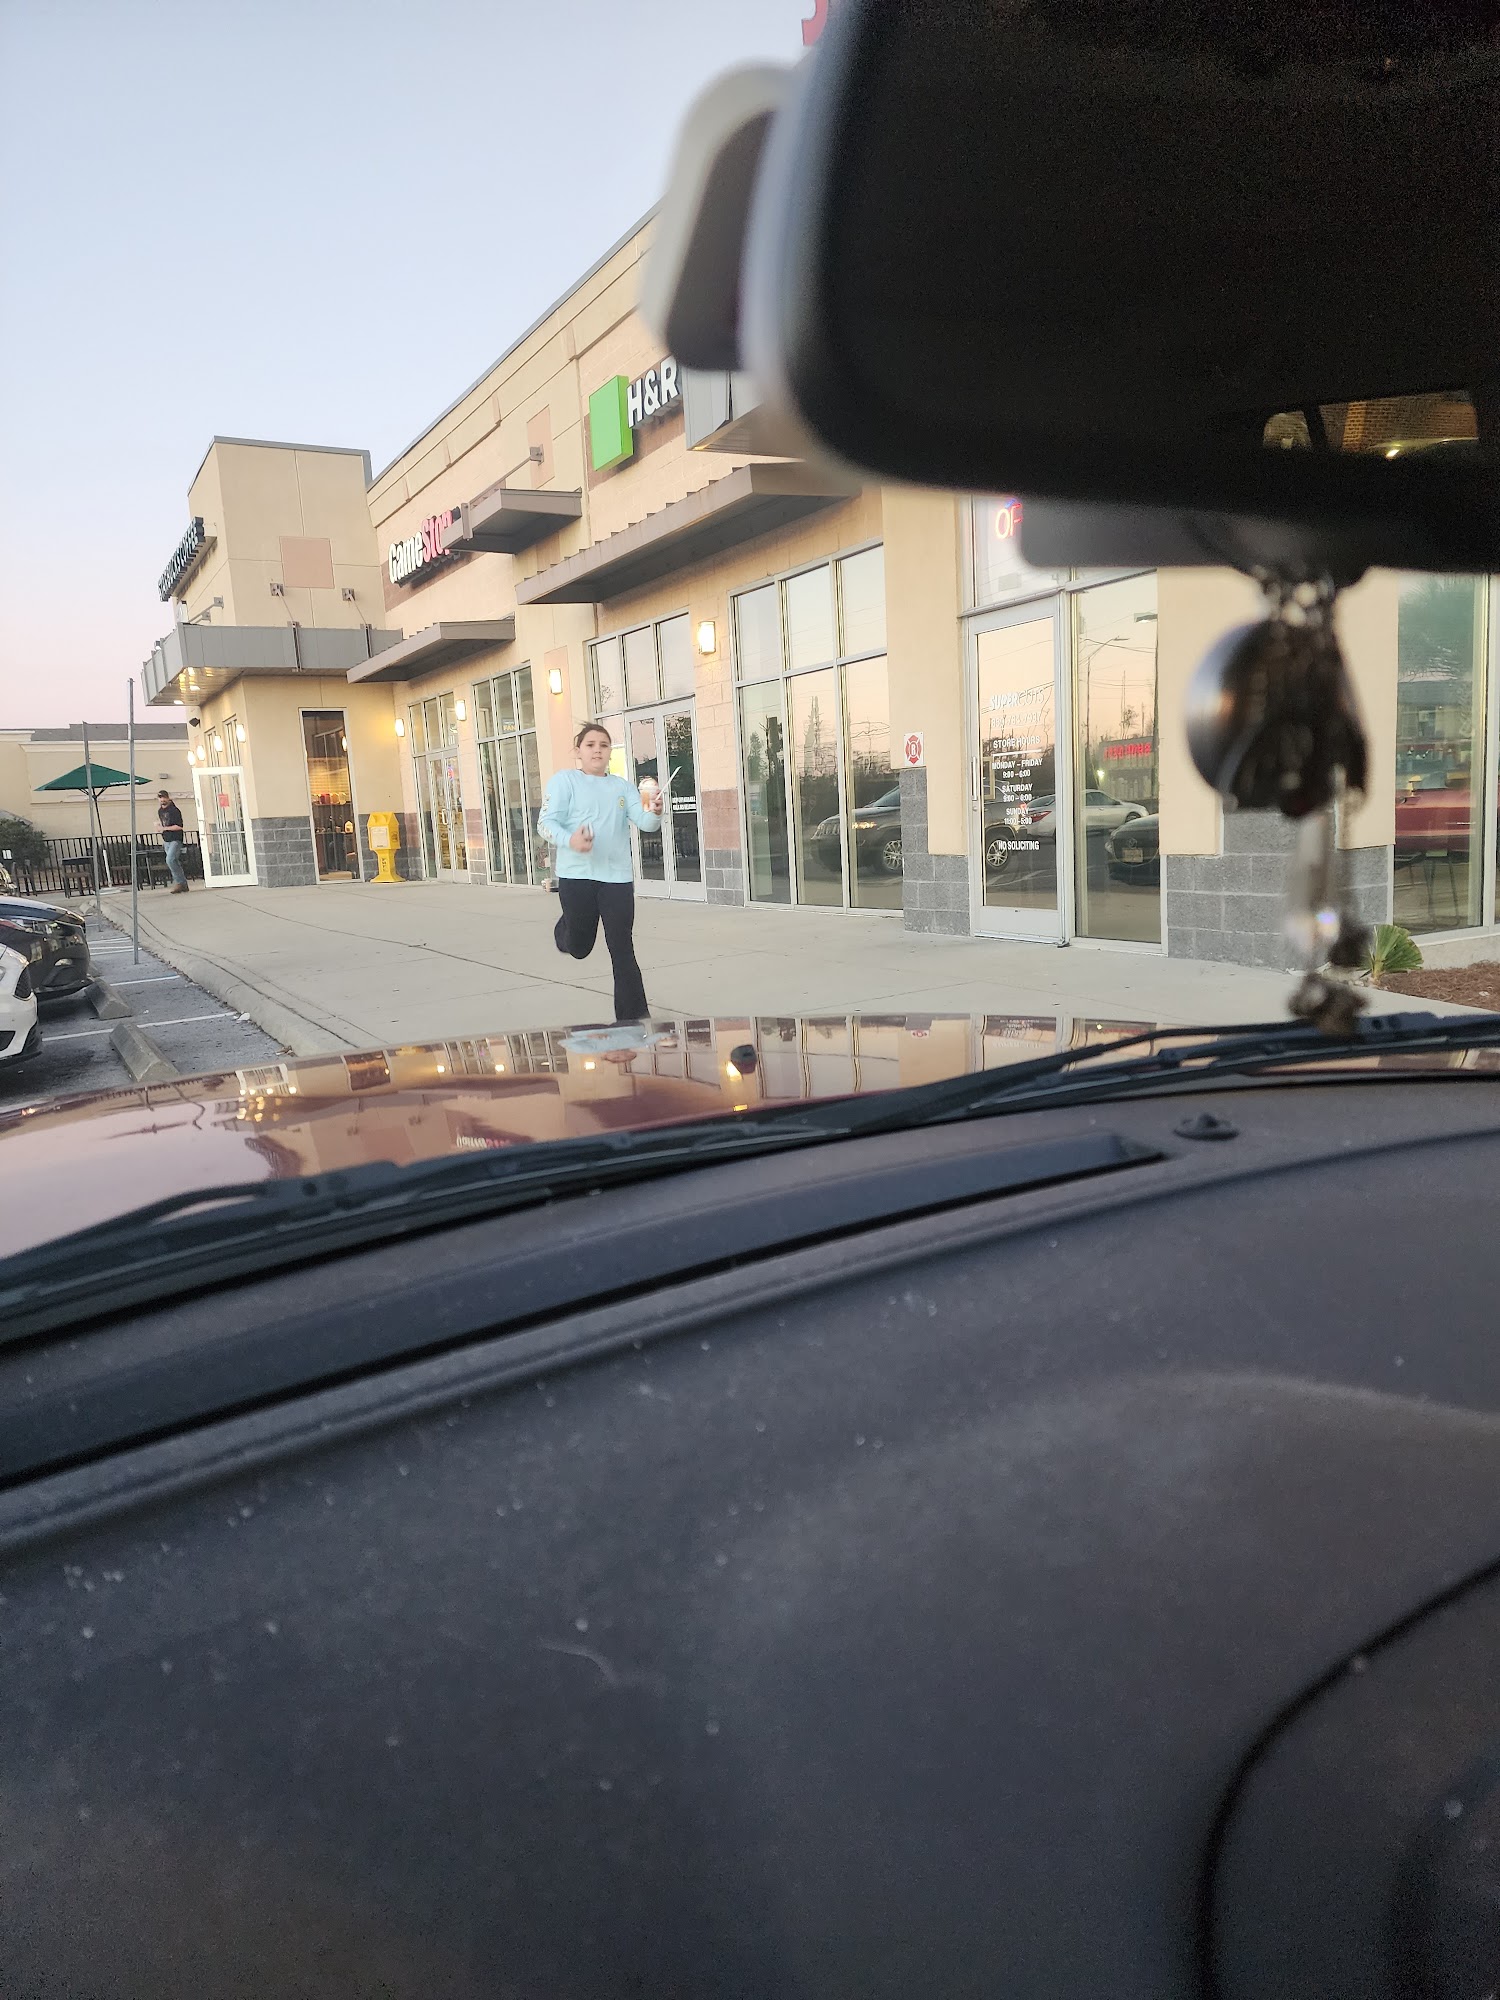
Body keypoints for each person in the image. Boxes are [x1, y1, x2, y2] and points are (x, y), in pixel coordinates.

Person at [536, 722, 662, 1022]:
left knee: (622, 948)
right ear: (578, 751)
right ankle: (565, 930)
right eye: (590, 745)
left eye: (603, 745)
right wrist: (571, 840)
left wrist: (656, 812)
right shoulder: (564, 781)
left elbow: (646, 823)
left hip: (616, 879)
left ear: (609, 752)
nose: (597, 750)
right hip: (576, 878)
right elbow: (545, 824)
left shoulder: (622, 787)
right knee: (580, 947)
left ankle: (633, 1020)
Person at [157, 789, 189, 893]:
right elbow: (164, 823)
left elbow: (179, 826)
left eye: (164, 797)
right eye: (160, 798)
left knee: (170, 859)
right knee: (174, 861)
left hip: (175, 839)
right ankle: (183, 884)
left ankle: (180, 883)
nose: (162, 800)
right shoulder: (160, 811)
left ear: (168, 798)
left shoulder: (174, 810)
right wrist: (160, 828)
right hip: (166, 839)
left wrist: (164, 828)